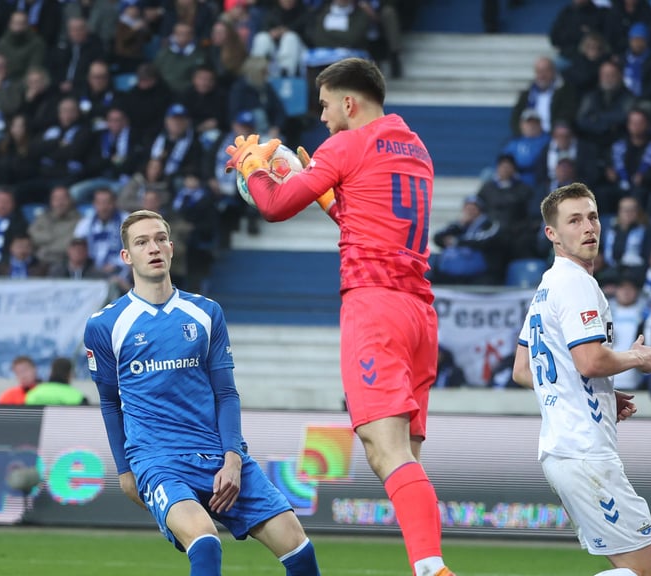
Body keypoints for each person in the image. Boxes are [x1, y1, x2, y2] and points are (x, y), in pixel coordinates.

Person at [225, 57, 454, 576]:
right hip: (419, 312)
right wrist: (331, 197)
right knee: (402, 454)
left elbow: (275, 205)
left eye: (326, 106)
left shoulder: (347, 145)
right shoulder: (415, 147)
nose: (323, 118)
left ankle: (432, 568)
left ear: (349, 102)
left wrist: (252, 167)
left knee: (386, 450)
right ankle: (427, 562)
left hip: (375, 308)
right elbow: (372, 219)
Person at [84, 210, 321, 576]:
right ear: (126, 256)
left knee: (300, 551)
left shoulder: (205, 312)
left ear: (171, 247)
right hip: (158, 460)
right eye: (142, 242)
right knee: (205, 541)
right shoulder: (105, 324)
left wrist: (233, 459)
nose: (153, 248)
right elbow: (109, 402)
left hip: (217, 454)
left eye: (160, 239)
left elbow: (226, 393)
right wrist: (125, 471)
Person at [511, 182, 651, 576]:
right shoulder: (576, 283)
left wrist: (601, 395)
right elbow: (591, 361)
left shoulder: (546, 287)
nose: (588, 227)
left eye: (592, 217)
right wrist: (638, 357)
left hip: (563, 452)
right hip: (585, 451)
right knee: (647, 572)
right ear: (552, 233)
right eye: (574, 220)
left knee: (636, 568)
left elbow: (524, 370)